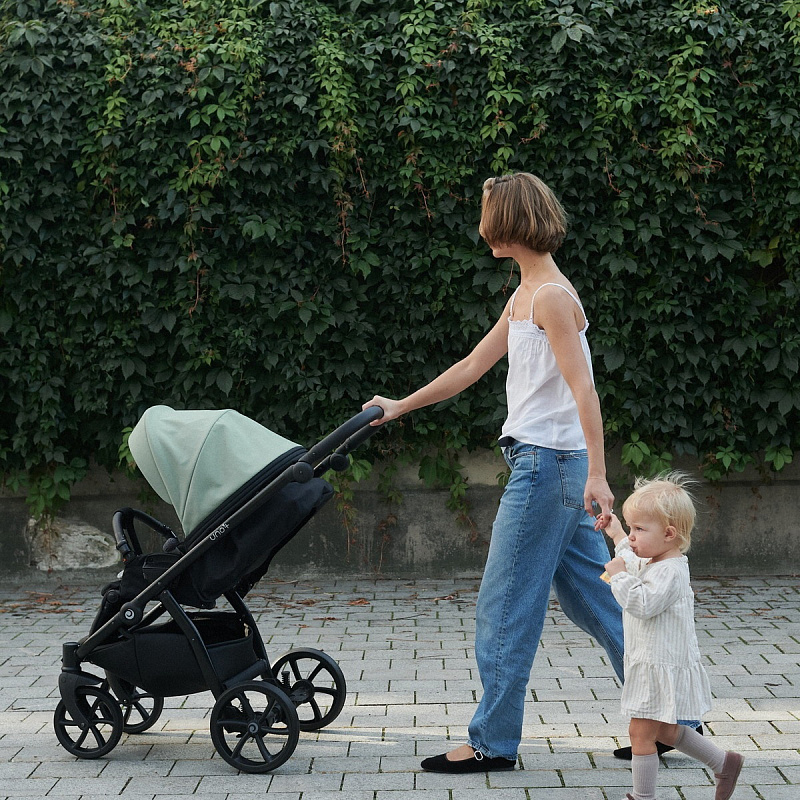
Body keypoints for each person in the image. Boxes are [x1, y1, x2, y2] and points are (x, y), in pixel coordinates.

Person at [362, 172, 626, 772]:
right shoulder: (526, 294)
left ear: (508, 224)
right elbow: (471, 366)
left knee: (504, 605)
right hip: (552, 466)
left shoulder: (551, 297)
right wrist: (400, 406)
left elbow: (585, 390)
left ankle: (493, 742)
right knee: (597, 603)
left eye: (487, 218)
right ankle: (673, 720)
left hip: (548, 469)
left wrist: (598, 475)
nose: (481, 229)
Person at [602, 473, 744, 800]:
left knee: (640, 733)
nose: (633, 536)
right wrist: (617, 533)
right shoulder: (655, 559)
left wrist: (619, 577)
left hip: (659, 664)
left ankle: (643, 797)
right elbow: (633, 558)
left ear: (669, 534)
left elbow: (643, 603)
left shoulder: (671, 571)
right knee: (666, 731)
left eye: (639, 529)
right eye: (631, 527)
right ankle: (723, 763)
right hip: (651, 662)